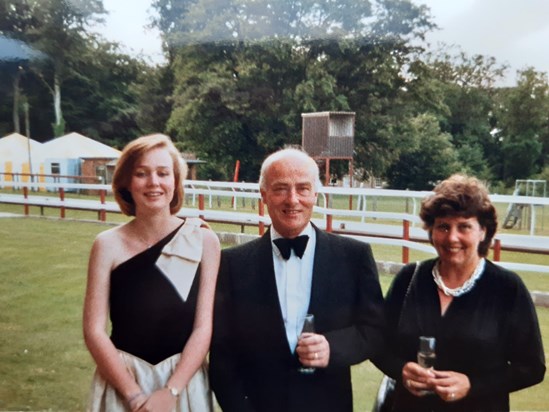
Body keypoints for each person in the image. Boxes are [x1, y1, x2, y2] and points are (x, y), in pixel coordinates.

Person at [210, 147, 385, 412]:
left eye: (302, 188)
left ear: (315, 194)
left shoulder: (353, 256)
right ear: (264, 195)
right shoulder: (233, 264)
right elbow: (222, 357)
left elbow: (374, 330)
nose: (292, 200)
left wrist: (333, 348)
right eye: (280, 188)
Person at [373, 174, 545, 411]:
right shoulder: (410, 278)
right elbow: (377, 343)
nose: (452, 237)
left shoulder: (507, 288)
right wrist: (401, 370)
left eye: (464, 226)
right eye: (443, 226)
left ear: (483, 231)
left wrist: (472, 385)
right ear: (432, 231)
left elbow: (531, 368)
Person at [83, 134, 221, 412]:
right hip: (123, 381)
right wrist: (133, 396)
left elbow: (203, 327)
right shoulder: (107, 244)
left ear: (175, 181)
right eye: (141, 173)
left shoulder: (204, 241)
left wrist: (171, 391)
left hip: (183, 384)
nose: (153, 182)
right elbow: (94, 330)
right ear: (126, 183)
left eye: (163, 173)